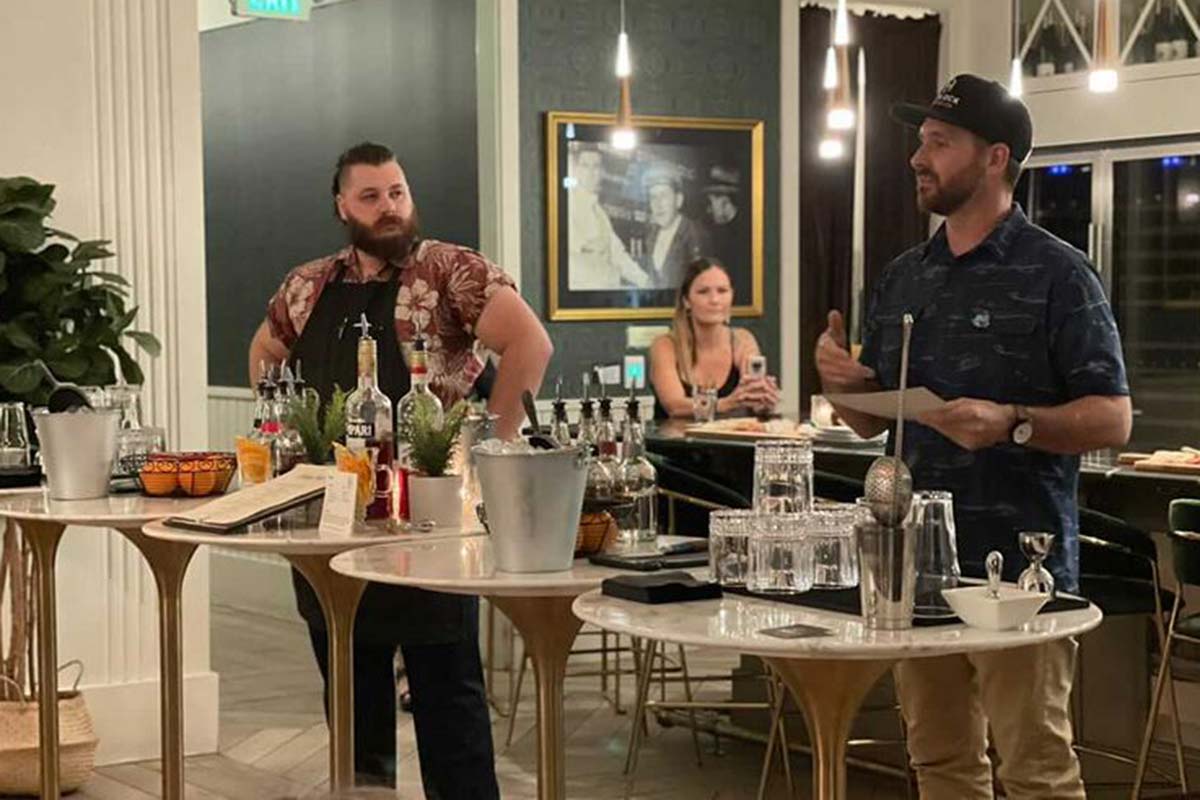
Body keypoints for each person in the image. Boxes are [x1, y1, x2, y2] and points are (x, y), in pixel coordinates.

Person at [815, 75, 1131, 799]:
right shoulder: (904, 278)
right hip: (916, 565)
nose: (917, 159)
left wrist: (1014, 421)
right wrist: (840, 378)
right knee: (939, 762)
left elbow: (1114, 418)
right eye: (919, 142)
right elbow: (873, 421)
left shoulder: (1058, 272)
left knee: (1037, 771)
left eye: (938, 143)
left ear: (995, 158)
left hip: (1022, 569)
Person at [248, 142, 553, 796]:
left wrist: (488, 452)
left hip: (428, 520)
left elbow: (530, 343)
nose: (389, 208)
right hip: (331, 520)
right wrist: (280, 436)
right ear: (341, 205)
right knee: (350, 691)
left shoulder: (450, 271)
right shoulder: (308, 286)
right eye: (371, 197)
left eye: (397, 192)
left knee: (448, 692)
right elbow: (266, 349)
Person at [650, 257, 779, 419]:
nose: (715, 300)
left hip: (728, 442)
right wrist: (726, 403)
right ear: (686, 301)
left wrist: (763, 401)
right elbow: (674, 406)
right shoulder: (665, 345)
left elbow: (753, 397)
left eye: (722, 291)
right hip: (677, 442)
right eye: (703, 292)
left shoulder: (742, 339)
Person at [567, 145, 652, 290]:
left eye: (596, 167)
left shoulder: (600, 214)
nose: (591, 173)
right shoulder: (567, 207)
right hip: (582, 296)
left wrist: (646, 282)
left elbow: (618, 255)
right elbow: (580, 246)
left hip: (607, 291)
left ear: (602, 172)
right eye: (585, 166)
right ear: (575, 170)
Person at [642, 168, 711, 289]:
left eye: (664, 196)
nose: (658, 204)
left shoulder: (695, 234)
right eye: (653, 197)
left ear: (679, 200)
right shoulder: (651, 235)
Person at [703, 165, 741, 269]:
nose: (708, 210)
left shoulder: (744, 237)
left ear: (725, 201)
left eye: (711, 203)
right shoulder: (718, 233)